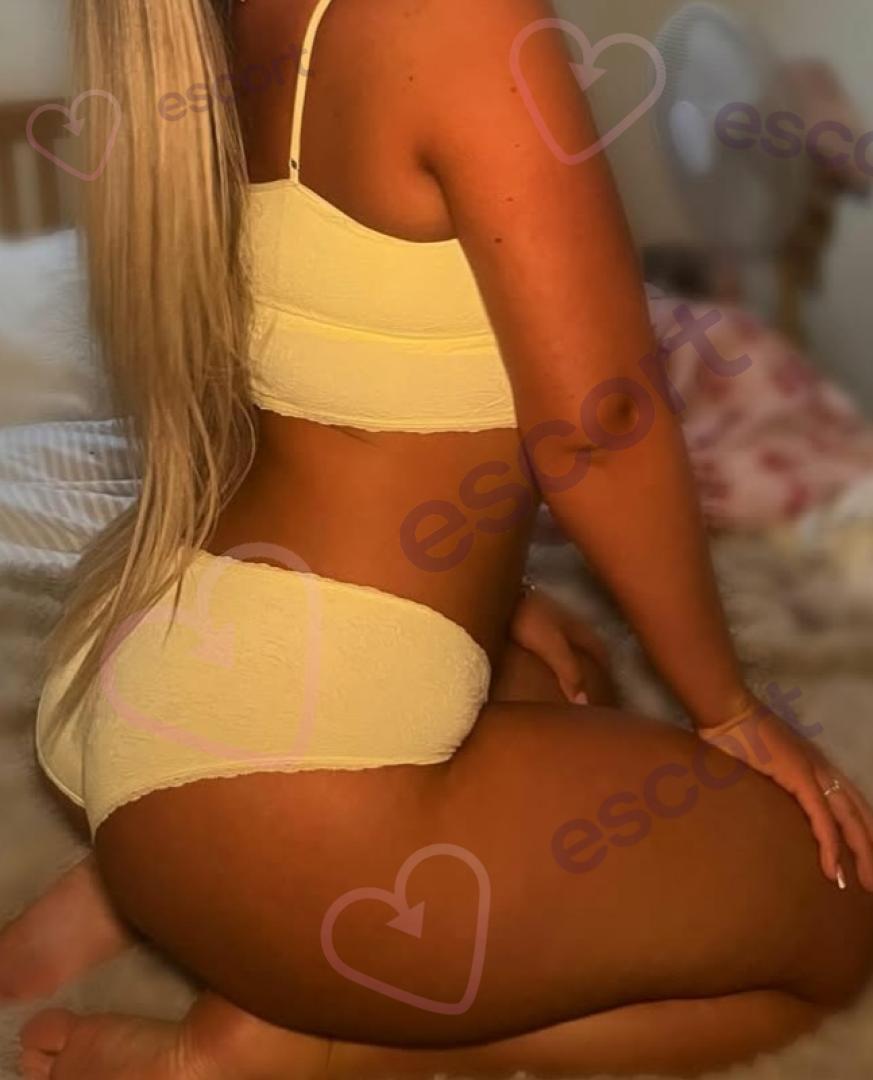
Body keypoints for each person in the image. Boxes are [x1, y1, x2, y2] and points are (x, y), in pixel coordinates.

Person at [11, 1, 873, 1077]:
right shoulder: (454, 18)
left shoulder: (221, 20)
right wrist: (729, 708)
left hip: (132, 681)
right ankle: (297, 1040)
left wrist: (488, 595)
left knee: (570, 681)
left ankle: (140, 877)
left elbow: (322, 363)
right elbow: (600, 425)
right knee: (842, 910)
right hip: (275, 788)